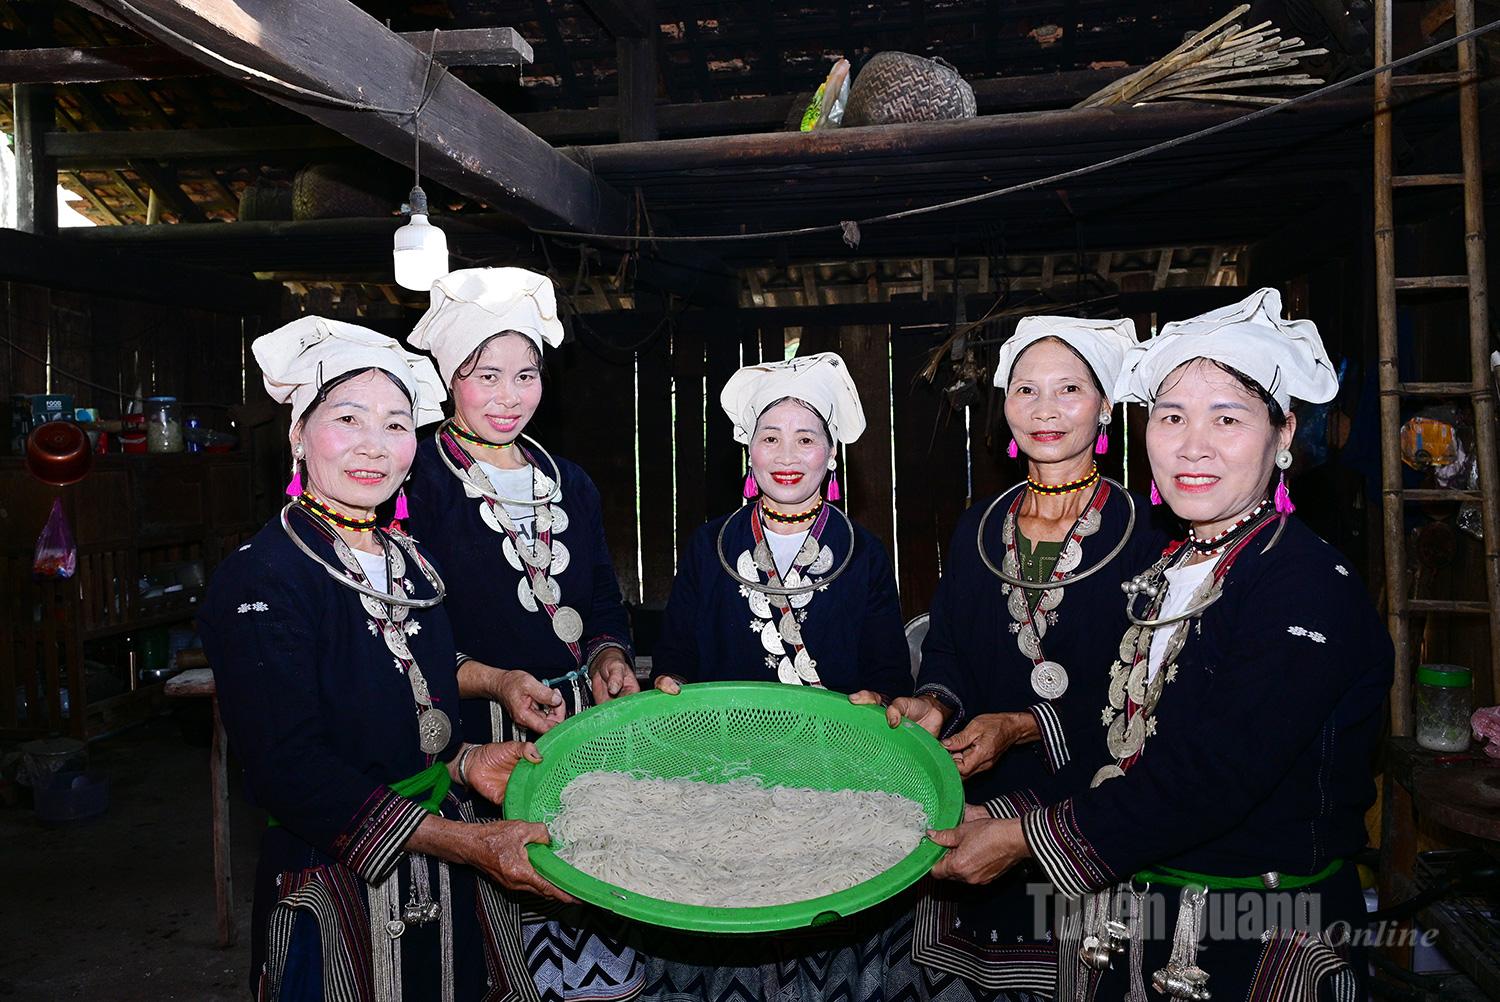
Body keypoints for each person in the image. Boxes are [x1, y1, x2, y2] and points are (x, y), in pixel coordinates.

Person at [926, 288, 1391, 1002]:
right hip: (1144, 918)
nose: (1192, 445)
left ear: (1285, 433)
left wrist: (1025, 838)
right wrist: (998, 811)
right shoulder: (1169, 571)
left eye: (1227, 418)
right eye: (1172, 416)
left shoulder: (1302, 584)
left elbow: (1209, 779)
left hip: (1254, 934)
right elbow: (1124, 747)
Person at [199, 317, 567, 1002]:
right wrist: (469, 844)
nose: (376, 446)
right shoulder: (263, 579)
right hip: (332, 879)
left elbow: (397, 696)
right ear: (298, 435)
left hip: (438, 873)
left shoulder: (406, 559)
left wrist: (463, 760)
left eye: (397, 425)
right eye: (348, 418)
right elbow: (292, 772)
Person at [865, 316, 1167, 999]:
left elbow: (1150, 692)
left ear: (1106, 405)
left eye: (1069, 389)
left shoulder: (1145, 532)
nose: (1046, 410)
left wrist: (1027, 725)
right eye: (1025, 390)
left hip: (1087, 806)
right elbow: (947, 648)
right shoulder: (981, 525)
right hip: (972, 806)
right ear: (1004, 407)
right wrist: (936, 703)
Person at [403, 268, 643, 1001]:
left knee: (590, 885)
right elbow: (406, 628)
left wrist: (606, 652)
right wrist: (495, 681)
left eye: (526, 375)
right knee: (499, 911)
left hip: (576, 721)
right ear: (450, 379)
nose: (510, 397)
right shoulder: (417, 478)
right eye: (487, 376)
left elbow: (600, 590)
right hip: (473, 729)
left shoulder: (568, 480)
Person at [642, 351, 912, 1001]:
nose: (787, 454)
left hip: (833, 779)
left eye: (805, 438)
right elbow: (674, 655)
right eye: (770, 437)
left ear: (830, 454)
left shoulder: (864, 552)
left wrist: (879, 701)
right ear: (749, 453)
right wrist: (668, 686)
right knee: (731, 940)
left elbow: (889, 671)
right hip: (723, 778)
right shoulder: (710, 545)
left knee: (824, 948)